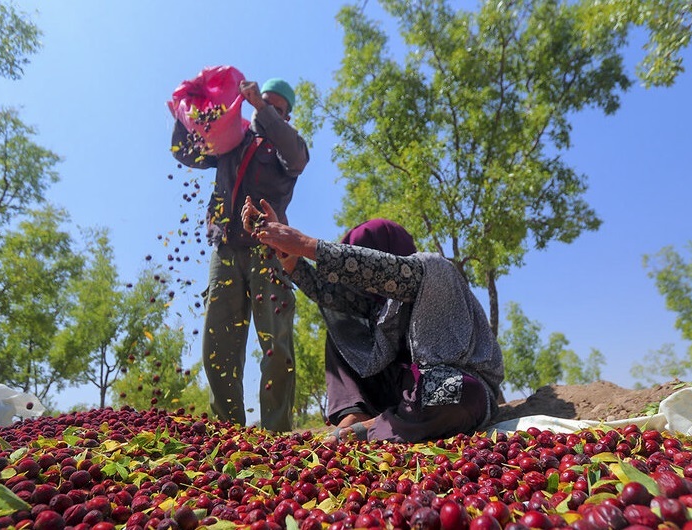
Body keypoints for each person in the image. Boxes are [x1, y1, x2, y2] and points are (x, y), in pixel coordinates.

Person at [241, 198, 504, 442]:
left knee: (459, 392)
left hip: (452, 385)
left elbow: (378, 271)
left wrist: (306, 244)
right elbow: (329, 294)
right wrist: (286, 252)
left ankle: (373, 427)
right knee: (343, 327)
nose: (359, 287)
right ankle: (356, 413)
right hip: (399, 390)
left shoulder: (432, 270)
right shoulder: (377, 304)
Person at [172, 78, 309, 432]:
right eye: (264, 103)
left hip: (270, 251)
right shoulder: (234, 140)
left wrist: (263, 112)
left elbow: (296, 159)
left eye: (277, 109)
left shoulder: (288, 146)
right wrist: (183, 114)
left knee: (276, 345)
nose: (267, 111)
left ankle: (277, 435)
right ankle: (229, 434)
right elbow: (191, 152)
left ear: (286, 116)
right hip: (227, 250)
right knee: (218, 343)